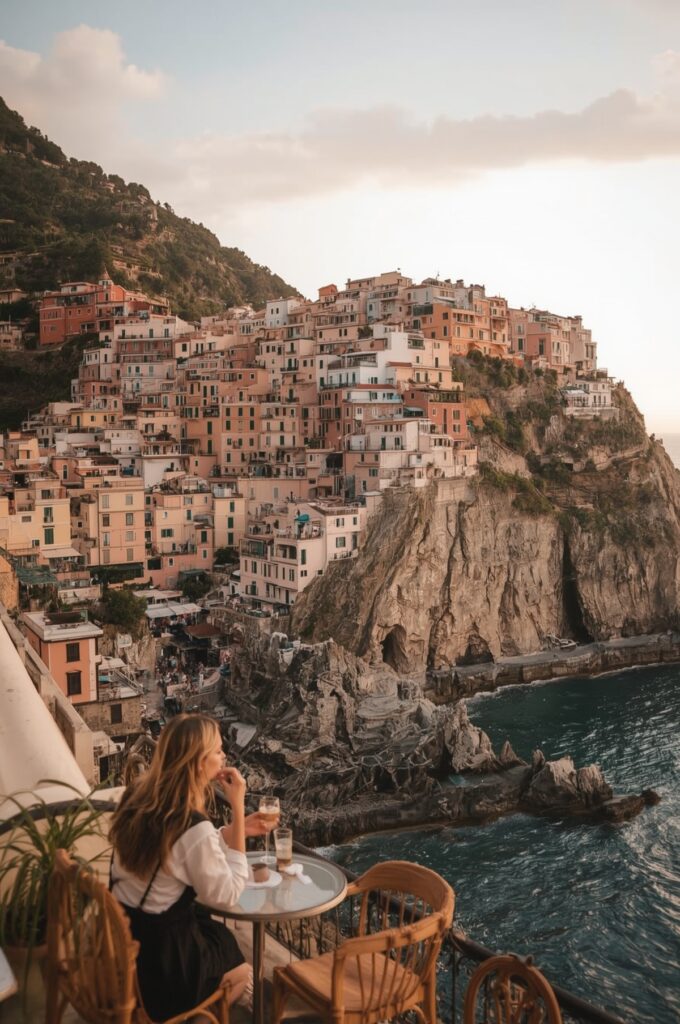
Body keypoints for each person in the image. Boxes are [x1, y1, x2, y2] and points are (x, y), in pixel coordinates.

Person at [109, 713, 273, 1020]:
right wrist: (238, 808)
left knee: (223, 940)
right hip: (165, 970)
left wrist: (233, 832)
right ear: (199, 763)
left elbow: (176, 852)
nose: (224, 756)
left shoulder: (140, 798)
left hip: (133, 945)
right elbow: (228, 894)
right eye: (218, 751)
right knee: (241, 970)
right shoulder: (190, 823)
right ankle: (195, 1017)